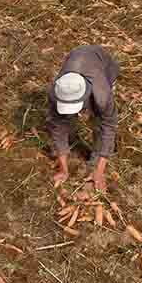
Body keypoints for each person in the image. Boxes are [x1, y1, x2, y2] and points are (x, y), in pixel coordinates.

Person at [47, 45, 119, 192]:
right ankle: (72, 128)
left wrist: (99, 172)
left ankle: (95, 158)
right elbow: (57, 127)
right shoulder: (55, 91)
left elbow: (109, 126)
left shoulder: (101, 94)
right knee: (63, 120)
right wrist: (63, 170)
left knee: (99, 121)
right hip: (76, 55)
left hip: (103, 64)